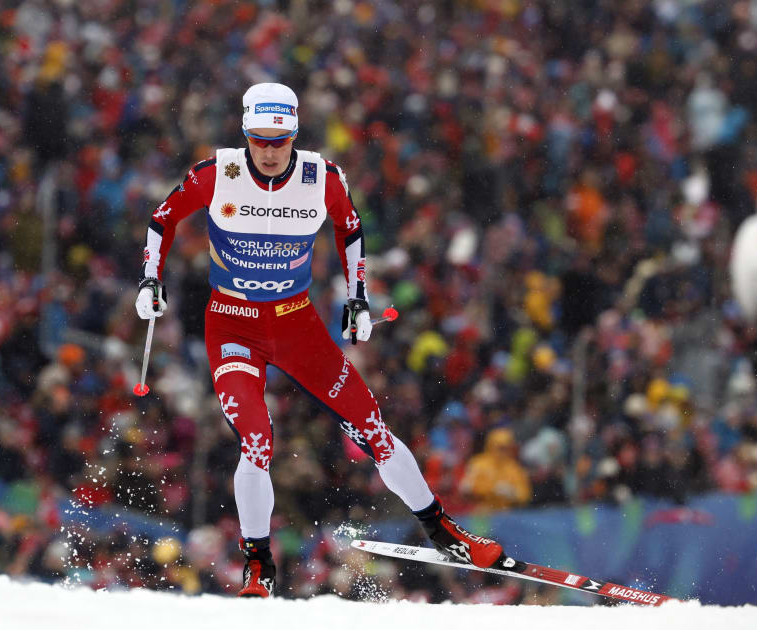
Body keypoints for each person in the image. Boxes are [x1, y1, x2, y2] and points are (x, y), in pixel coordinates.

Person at [135, 83, 509, 597]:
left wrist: (358, 299)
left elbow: (349, 229)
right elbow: (163, 219)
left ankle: (444, 533)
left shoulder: (321, 177)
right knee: (257, 441)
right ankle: (258, 564)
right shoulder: (217, 172)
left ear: (294, 135)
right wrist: (149, 280)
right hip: (233, 323)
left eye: (280, 141)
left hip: (296, 323)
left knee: (373, 427)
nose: (269, 152)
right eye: (259, 140)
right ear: (245, 134)